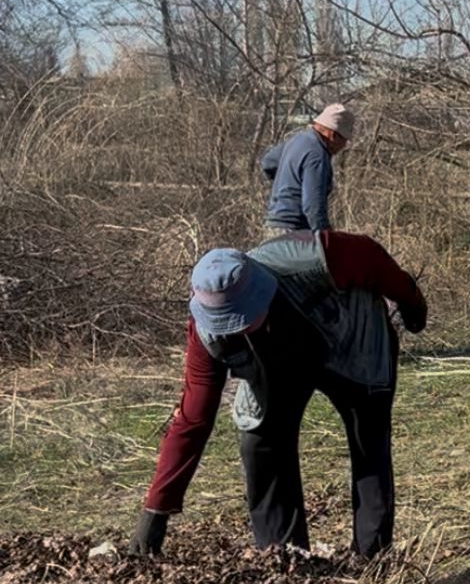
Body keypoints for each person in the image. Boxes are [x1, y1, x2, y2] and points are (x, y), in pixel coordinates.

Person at [129, 230, 426, 559]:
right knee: (259, 440)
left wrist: (410, 298)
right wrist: (157, 508)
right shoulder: (206, 336)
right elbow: (193, 418)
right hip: (277, 363)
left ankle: (372, 561)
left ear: (260, 292)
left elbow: (371, 257)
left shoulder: (313, 257)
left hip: (350, 338)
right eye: (227, 326)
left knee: (367, 436)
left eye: (242, 319)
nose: (236, 330)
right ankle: (285, 561)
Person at [261, 102, 356, 234]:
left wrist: (286, 185)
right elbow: (313, 207)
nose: (344, 146)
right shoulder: (317, 154)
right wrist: (328, 238)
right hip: (294, 232)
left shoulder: (298, 139)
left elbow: (268, 162)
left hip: (273, 225)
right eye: (344, 140)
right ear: (332, 135)